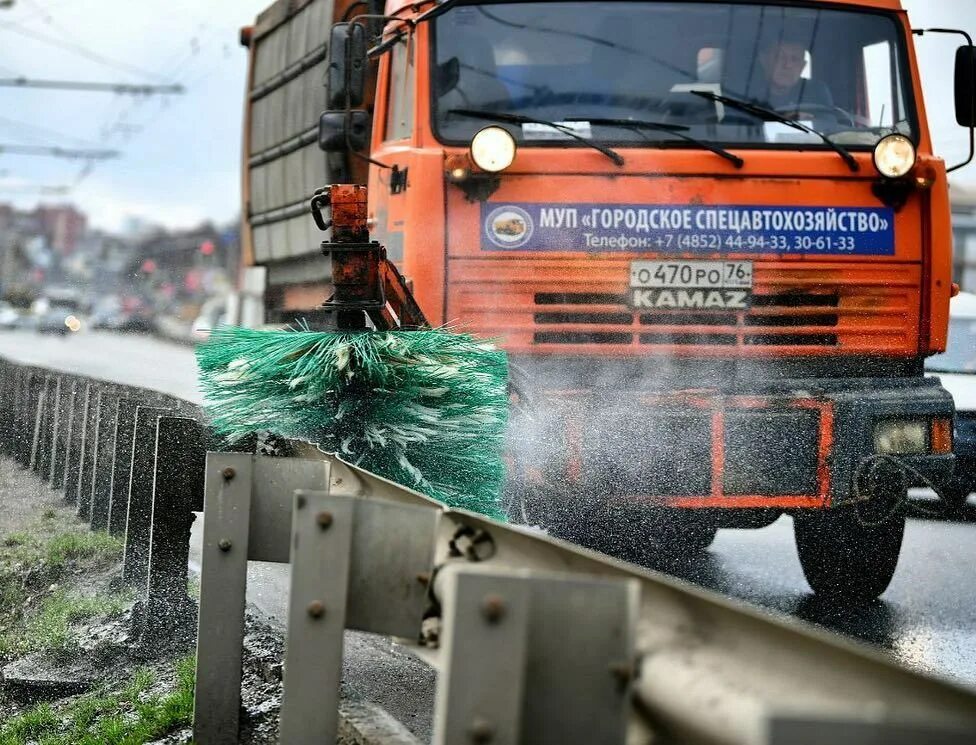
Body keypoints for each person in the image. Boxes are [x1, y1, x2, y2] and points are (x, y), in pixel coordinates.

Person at [755, 39, 833, 114]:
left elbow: (827, 124)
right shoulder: (747, 95)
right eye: (780, 57)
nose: (788, 65)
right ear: (763, 60)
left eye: (795, 59)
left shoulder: (815, 95)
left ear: (802, 66)